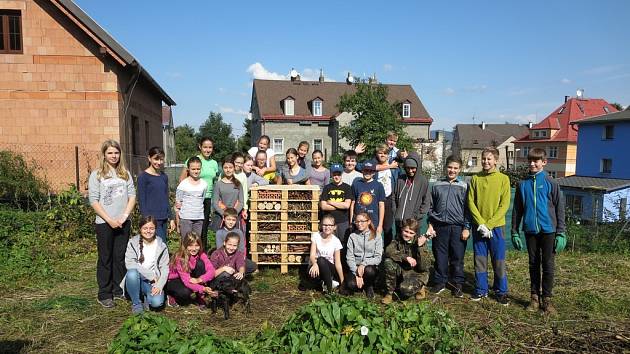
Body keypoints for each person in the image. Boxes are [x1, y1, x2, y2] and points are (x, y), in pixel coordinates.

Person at [511, 148, 566, 314]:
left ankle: (547, 300)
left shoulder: (551, 182)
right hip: (530, 231)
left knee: (548, 265)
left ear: (544, 162)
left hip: (549, 230)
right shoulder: (522, 185)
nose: (532, 164)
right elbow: (517, 210)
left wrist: (561, 231)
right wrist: (514, 231)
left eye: (536, 161)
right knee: (533, 264)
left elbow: (559, 208)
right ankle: (534, 298)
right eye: (530, 161)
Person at [89, 139, 136, 308]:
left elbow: (132, 196)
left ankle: (119, 289)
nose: (113, 156)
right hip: (104, 223)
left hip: (123, 222)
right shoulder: (97, 175)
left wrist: (124, 216)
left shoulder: (125, 174)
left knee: (120, 257)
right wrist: (109, 220)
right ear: (104, 155)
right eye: (110, 153)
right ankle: (104, 293)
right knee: (105, 258)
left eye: (116, 152)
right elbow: (93, 201)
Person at [468, 147, 511, 305]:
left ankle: (501, 291)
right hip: (479, 228)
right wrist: (481, 223)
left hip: (497, 227)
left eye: (489, 159)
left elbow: (504, 204)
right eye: (484, 159)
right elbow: (471, 202)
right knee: (479, 259)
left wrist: (490, 225)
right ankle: (481, 289)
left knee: (498, 259)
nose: (486, 161)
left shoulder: (503, 179)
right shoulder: (475, 178)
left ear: (496, 160)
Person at [426, 155, 471, 298]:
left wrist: (466, 227)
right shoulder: (437, 185)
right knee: (440, 255)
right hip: (439, 227)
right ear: (446, 167)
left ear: (460, 170)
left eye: (456, 168)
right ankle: (440, 281)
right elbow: (431, 207)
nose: (452, 170)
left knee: (457, 257)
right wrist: (431, 225)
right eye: (450, 167)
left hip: (457, 227)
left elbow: (468, 209)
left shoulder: (464, 186)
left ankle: (456, 283)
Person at [178, 137, 219, 250]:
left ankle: (202, 254)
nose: (207, 149)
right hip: (192, 199)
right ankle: (185, 255)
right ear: (200, 147)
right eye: (205, 147)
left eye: (210, 147)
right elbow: (182, 180)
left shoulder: (214, 163)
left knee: (203, 229)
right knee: (189, 231)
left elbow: (215, 181)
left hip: (207, 198)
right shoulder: (192, 160)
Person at [123, 216, 169, 314]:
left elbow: (165, 267)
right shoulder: (133, 242)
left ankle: (145, 296)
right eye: (145, 228)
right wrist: (150, 275)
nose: (148, 231)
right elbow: (130, 263)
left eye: (151, 228)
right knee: (132, 273)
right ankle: (136, 303)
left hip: (152, 282)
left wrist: (160, 285)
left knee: (157, 303)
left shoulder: (161, 245)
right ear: (140, 229)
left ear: (155, 229)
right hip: (136, 278)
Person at [382, 219, 430, 304]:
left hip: (416, 273)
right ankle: (389, 293)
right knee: (388, 262)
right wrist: (405, 257)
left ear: (415, 233)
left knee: (405, 289)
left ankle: (420, 287)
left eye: (411, 233)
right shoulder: (398, 239)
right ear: (402, 230)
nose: (407, 234)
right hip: (403, 270)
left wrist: (420, 247)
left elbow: (424, 267)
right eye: (406, 231)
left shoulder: (420, 242)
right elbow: (388, 251)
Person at [166, 232, 217, 308]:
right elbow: (187, 282)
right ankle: (171, 295)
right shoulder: (180, 258)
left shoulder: (201, 254)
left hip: (187, 275)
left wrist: (199, 279)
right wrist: (203, 288)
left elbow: (212, 271)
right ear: (185, 246)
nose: (194, 249)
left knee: (200, 264)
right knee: (185, 292)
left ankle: (200, 297)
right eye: (190, 246)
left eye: (197, 245)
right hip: (174, 279)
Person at [137, 146, 175, 243]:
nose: (159, 162)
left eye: (161, 159)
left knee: (162, 244)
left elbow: (166, 198)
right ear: (149, 158)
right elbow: (141, 200)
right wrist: (147, 220)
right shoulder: (143, 177)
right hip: (152, 219)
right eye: (156, 159)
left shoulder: (163, 176)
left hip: (163, 217)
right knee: (160, 245)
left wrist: (171, 218)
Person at [392, 152, 430, 245]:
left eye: (413, 168)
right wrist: (396, 211)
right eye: (408, 168)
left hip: (414, 222)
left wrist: (417, 216)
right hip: (400, 221)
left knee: (413, 246)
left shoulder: (423, 181)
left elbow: (426, 201)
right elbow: (393, 196)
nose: (410, 170)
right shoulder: (400, 179)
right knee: (399, 245)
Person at [343, 212, 383, 298]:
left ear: (368, 222)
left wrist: (363, 264)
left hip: (369, 267)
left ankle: (369, 286)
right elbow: (349, 257)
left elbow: (378, 257)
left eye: (362, 221)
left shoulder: (377, 236)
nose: (359, 224)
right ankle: (359, 284)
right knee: (351, 285)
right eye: (357, 222)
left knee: (369, 271)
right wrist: (356, 273)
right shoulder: (352, 236)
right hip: (355, 266)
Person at [307, 214, 344, 293]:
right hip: (315, 267)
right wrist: (314, 264)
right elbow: (312, 255)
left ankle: (329, 289)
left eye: (330, 225)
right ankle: (321, 283)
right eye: (325, 225)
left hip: (330, 268)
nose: (327, 227)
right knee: (318, 263)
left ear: (334, 227)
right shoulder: (316, 236)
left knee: (321, 260)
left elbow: (338, 263)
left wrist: (342, 281)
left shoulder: (336, 241)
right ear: (321, 225)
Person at [215, 208, 257, 274]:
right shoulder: (219, 233)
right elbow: (220, 249)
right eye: (228, 219)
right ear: (224, 219)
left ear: (236, 220)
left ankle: (235, 271)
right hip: (224, 259)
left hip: (237, 257)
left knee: (252, 266)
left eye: (233, 220)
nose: (231, 222)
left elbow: (241, 249)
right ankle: (232, 271)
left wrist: (238, 259)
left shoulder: (239, 232)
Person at [175, 156, 208, 244]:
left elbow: (202, 199)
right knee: (186, 243)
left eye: (198, 169)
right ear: (188, 169)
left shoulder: (204, 184)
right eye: (193, 169)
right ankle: (184, 258)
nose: (196, 171)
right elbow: (178, 204)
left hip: (199, 218)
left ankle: (195, 258)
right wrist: (178, 223)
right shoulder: (183, 184)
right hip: (186, 218)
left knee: (196, 243)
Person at [374, 144, 400, 247]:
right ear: (377, 154)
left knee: (388, 228)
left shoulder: (394, 168)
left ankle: (387, 253)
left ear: (388, 155)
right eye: (380, 153)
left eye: (385, 153)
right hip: (375, 200)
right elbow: (360, 166)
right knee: (375, 227)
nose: (382, 155)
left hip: (389, 199)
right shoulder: (374, 166)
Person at [320, 163, 353, 243]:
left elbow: (347, 205)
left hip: (343, 221)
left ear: (342, 174)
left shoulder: (347, 187)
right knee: (329, 242)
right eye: (334, 174)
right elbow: (323, 206)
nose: (336, 176)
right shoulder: (327, 187)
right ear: (331, 174)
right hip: (329, 222)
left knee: (343, 242)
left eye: (338, 174)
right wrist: (340, 205)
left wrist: (331, 202)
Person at [350, 161, 385, 237]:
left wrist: (380, 225)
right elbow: (352, 203)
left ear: (374, 172)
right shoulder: (356, 184)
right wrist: (351, 221)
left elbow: (381, 205)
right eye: (366, 170)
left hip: (373, 222)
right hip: (358, 222)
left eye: (370, 171)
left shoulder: (379, 185)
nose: (368, 173)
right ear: (362, 171)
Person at [211, 157, 244, 231]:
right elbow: (215, 203)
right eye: (225, 167)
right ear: (222, 168)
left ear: (234, 168)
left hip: (235, 217)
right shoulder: (218, 184)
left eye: (230, 167)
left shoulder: (238, 184)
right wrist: (224, 215)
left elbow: (241, 202)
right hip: (221, 217)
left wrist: (233, 215)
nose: (228, 170)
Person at [232, 152, 249, 222]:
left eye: (241, 163)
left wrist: (245, 209)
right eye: (237, 162)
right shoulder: (226, 172)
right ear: (233, 161)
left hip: (238, 206)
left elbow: (245, 193)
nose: (239, 165)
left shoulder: (243, 176)